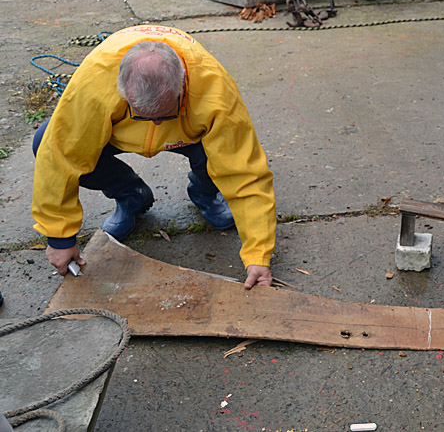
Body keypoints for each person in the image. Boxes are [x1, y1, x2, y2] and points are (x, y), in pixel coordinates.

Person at [31, 25, 276, 289]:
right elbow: (60, 158)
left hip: (189, 133)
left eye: (163, 115)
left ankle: (205, 193)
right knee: (44, 140)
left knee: (218, 154)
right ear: (120, 88)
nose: (156, 124)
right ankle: (130, 194)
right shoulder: (93, 83)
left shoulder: (215, 90)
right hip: (118, 132)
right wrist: (59, 238)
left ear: (183, 82)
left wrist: (258, 255)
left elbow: (244, 172)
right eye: (144, 116)